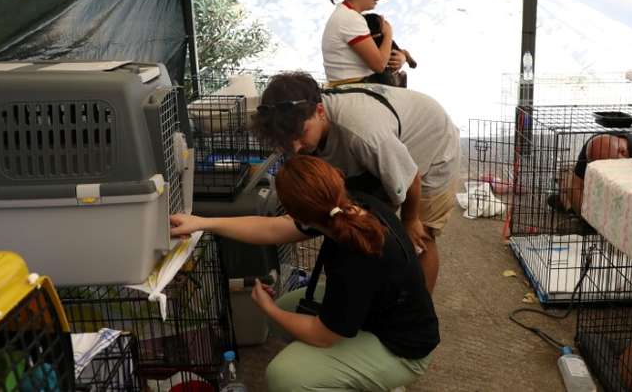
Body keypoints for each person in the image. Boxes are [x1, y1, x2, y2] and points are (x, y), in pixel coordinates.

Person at [170, 155, 439, 392]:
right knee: (289, 307)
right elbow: (271, 229)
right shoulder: (347, 207)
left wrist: (267, 308)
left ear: (297, 214)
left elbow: (324, 335)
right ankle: (355, 373)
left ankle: (377, 378)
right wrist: (203, 223)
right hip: (380, 313)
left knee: (285, 375)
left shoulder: (354, 257)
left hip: (404, 349)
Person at [250, 72, 460, 294]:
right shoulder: (303, 123)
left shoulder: (364, 134)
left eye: (302, 134)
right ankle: (378, 296)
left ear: (320, 112)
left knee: (420, 238)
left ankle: (418, 309)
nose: (295, 148)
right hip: (389, 140)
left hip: (432, 141)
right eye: (286, 141)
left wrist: (409, 220)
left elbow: (411, 179)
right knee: (366, 225)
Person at [322, 0, 407, 87]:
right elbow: (379, 65)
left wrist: (400, 58)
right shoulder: (349, 19)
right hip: (353, 90)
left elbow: (381, 57)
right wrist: (388, 33)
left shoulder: (349, 15)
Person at [549, 133, 632, 215]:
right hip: (593, 184)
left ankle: (568, 206)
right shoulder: (593, 146)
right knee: (568, 181)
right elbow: (577, 182)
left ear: (623, 153)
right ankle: (571, 208)